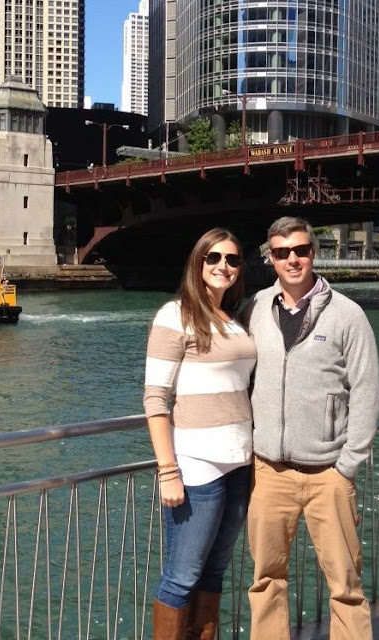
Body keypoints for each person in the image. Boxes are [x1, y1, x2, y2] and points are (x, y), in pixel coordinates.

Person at [243, 216, 379, 640]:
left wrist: (348, 464)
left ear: (313, 253)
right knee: (266, 580)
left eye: (300, 250)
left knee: (345, 585)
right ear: (270, 258)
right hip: (269, 471)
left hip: (328, 475)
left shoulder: (347, 314)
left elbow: (368, 389)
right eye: (281, 252)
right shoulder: (254, 308)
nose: (292, 259)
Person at [143, 228, 256, 640]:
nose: (223, 266)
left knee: (214, 571)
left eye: (232, 259)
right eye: (214, 257)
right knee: (181, 577)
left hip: (240, 461)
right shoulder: (175, 315)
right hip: (198, 466)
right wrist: (167, 470)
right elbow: (155, 398)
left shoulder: (235, 320)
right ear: (198, 262)